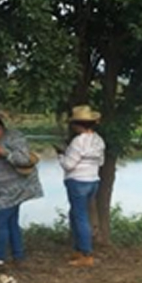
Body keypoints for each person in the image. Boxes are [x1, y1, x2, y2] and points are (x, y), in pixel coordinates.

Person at [0, 114, 43, 268]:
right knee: (11, 221)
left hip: (16, 188)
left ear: (0, 128)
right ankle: (18, 256)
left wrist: (4, 152)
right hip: (0, 188)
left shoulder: (14, 137)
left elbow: (24, 159)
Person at [57, 105, 106, 267]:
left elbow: (69, 165)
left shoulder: (78, 141)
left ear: (77, 124)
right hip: (93, 180)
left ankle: (86, 253)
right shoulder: (98, 140)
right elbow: (101, 162)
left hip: (77, 181)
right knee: (76, 214)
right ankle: (78, 249)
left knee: (80, 217)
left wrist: (61, 156)